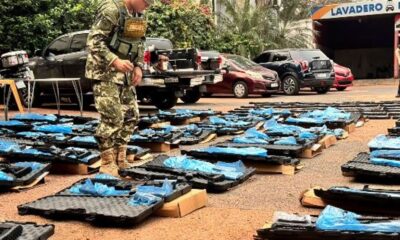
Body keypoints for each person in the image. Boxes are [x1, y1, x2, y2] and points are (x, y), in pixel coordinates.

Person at [86, 0, 153, 176]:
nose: (148, 6)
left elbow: (140, 42)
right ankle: (107, 162)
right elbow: (94, 41)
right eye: (146, 2)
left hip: (126, 74)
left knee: (131, 116)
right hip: (105, 73)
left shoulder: (138, 15)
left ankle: (120, 158)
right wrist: (114, 60)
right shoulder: (111, 9)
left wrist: (138, 66)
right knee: (112, 118)